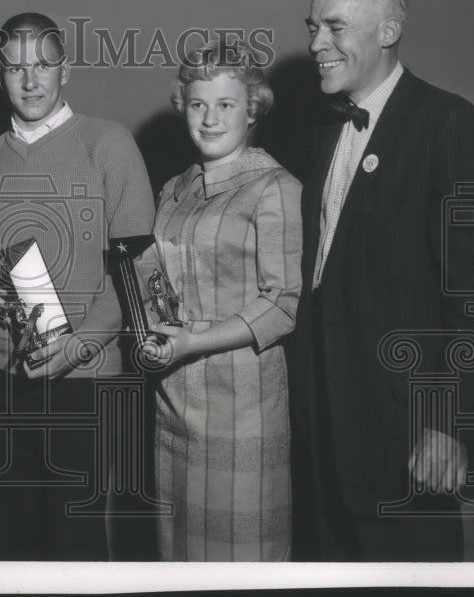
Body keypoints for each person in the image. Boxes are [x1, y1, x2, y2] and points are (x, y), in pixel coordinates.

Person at [294, 0, 474, 561]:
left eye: (335, 27)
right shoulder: (323, 131)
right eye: (313, 27)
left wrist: (448, 423)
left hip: (411, 439)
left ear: (388, 31)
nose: (315, 44)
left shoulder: (451, 123)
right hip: (330, 437)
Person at [0, 12, 155, 560]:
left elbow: (137, 269)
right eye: (16, 68)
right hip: (0, 375)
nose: (30, 80)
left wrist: (80, 343)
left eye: (43, 64)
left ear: (64, 70)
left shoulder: (107, 144)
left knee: (75, 539)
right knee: (5, 539)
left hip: (82, 376)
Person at [140, 41, 301, 561]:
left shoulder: (274, 186)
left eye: (226, 105)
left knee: (242, 559)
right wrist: (157, 335)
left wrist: (194, 340)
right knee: (179, 557)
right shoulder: (174, 189)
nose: (210, 119)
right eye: (198, 104)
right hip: (175, 400)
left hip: (244, 405)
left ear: (252, 110)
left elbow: (282, 305)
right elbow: (156, 286)